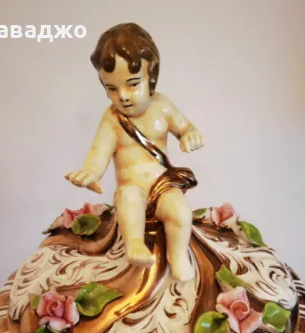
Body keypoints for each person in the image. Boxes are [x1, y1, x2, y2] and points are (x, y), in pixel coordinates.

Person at [65, 23, 204, 282]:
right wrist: (90, 173)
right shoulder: (112, 119)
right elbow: (98, 153)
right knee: (128, 200)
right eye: (112, 88)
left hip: (162, 186)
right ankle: (135, 245)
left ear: (151, 75)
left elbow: (185, 127)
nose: (123, 96)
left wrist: (190, 134)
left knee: (181, 214)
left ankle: (177, 257)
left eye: (132, 84)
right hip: (132, 187)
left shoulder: (162, 106)